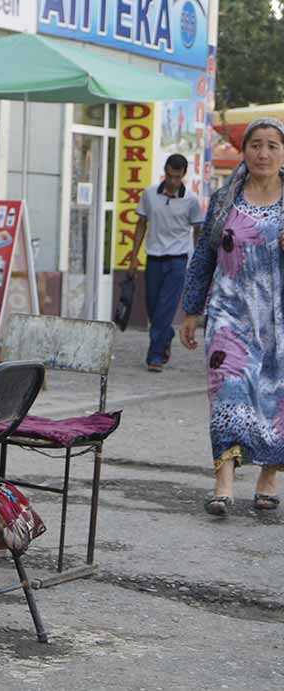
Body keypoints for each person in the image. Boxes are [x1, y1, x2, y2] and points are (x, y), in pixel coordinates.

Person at [180, 118, 284, 516]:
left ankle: (268, 478)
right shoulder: (226, 199)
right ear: (245, 153)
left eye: (272, 145)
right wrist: (192, 311)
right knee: (228, 391)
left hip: (277, 318)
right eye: (256, 145)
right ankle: (223, 483)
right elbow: (204, 256)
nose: (263, 153)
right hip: (229, 316)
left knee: (275, 398)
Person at [129, 154, 204, 372]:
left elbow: (197, 231)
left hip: (178, 261)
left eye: (177, 177)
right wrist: (134, 257)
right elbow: (141, 224)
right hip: (153, 259)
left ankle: (155, 356)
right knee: (153, 308)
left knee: (165, 309)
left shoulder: (191, 200)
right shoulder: (149, 194)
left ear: (183, 176)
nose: (173, 182)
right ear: (165, 171)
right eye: (170, 176)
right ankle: (167, 335)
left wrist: (199, 262)